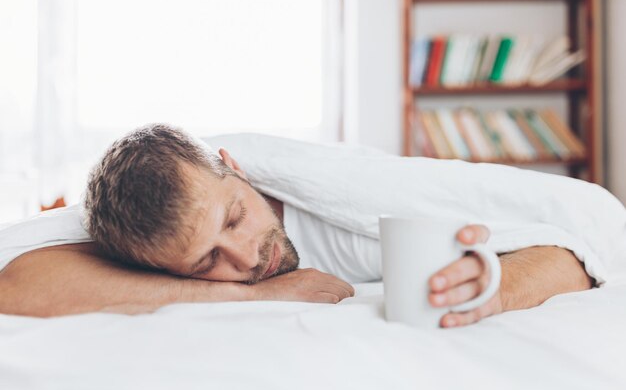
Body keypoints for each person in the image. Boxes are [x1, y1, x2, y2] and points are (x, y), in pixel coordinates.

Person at [1, 124, 618, 328]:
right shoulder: (134, 239)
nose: (247, 258)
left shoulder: (342, 203)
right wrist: (260, 294)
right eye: (207, 261)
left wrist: (497, 286)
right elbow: (15, 284)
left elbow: (585, 234)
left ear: (232, 168)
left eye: (236, 218)